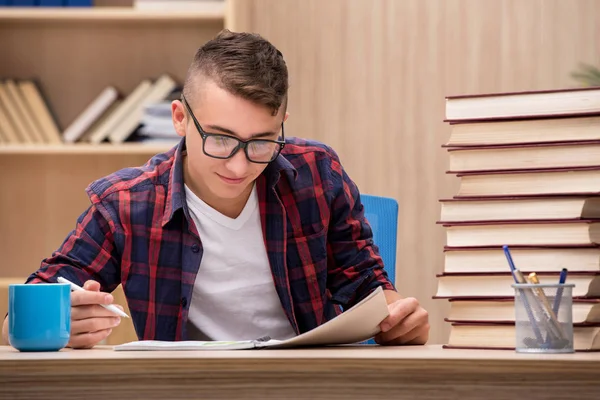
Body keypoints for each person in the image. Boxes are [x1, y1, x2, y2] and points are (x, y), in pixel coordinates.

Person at [2, 30, 429, 349]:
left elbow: (370, 289)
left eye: (262, 142)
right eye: (220, 139)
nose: (240, 165)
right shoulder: (127, 203)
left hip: (307, 385)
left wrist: (399, 320)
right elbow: (19, 316)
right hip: (191, 389)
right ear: (180, 118)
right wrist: (57, 327)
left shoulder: (317, 172)